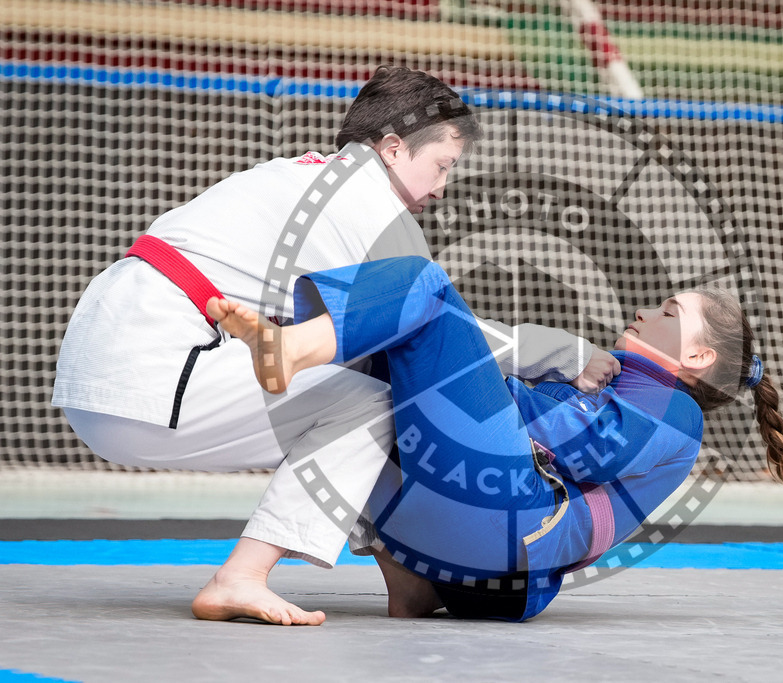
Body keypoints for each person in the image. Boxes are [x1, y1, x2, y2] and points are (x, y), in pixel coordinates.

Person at [52, 66, 620, 626]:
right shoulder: (367, 206)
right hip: (151, 374)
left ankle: (403, 581)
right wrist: (566, 355)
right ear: (393, 148)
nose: (443, 187)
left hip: (112, 376)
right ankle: (239, 577)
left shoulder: (299, 178)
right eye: (442, 165)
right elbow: (449, 338)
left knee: (363, 377)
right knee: (376, 401)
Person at [207, 255, 783, 622]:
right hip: (491, 574)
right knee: (376, 369)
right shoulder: (626, 386)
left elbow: (572, 445)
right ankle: (415, 581)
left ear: (700, 356)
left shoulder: (675, 410)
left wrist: (491, 376)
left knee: (423, 289)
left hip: (510, 531)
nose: (648, 311)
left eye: (669, 313)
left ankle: (290, 341)